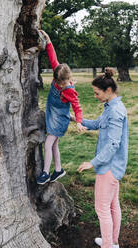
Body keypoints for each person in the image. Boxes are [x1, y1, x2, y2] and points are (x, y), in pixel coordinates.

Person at [78, 68, 128, 248]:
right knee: (113, 206)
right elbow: (96, 124)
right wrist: (73, 118)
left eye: (96, 93)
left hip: (109, 168)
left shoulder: (115, 112)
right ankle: (112, 242)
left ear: (108, 91)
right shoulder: (111, 107)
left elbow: (113, 144)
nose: (94, 96)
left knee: (102, 209)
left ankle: (107, 245)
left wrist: (92, 163)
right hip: (114, 167)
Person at [37, 30, 85, 185]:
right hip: (52, 114)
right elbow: (53, 57)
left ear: (68, 80)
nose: (58, 85)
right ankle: (58, 170)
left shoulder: (69, 90)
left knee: (48, 143)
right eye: (57, 82)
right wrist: (48, 40)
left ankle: (45, 173)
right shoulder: (58, 72)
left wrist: (78, 122)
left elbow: (77, 107)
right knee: (54, 144)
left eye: (61, 84)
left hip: (60, 119)